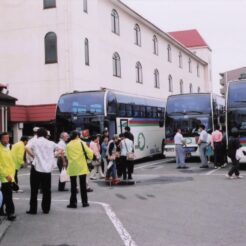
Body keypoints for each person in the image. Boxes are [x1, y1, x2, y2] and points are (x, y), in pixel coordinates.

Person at [25, 128, 60, 215]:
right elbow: (60, 149)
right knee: (47, 190)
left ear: (37, 134)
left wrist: (33, 155)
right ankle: (46, 209)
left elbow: (26, 147)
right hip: (47, 169)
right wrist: (53, 155)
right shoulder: (50, 143)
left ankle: (33, 209)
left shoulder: (34, 141)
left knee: (34, 189)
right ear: (46, 135)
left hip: (36, 167)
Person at [66, 131, 93, 208]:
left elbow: (67, 156)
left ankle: (73, 203)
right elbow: (90, 152)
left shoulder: (68, 145)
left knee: (73, 186)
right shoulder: (82, 143)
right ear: (77, 136)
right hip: (81, 166)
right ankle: (84, 202)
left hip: (72, 167)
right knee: (83, 185)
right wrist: (90, 158)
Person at [0, 132, 16, 221]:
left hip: (9, 176)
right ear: (1, 139)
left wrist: (12, 176)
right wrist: (6, 175)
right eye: (4, 138)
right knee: (7, 196)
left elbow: (11, 162)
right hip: (4, 177)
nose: (6, 139)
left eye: (7, 138)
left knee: (5, 195)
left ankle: (4, 211)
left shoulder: (9, 147)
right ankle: (10, 213)